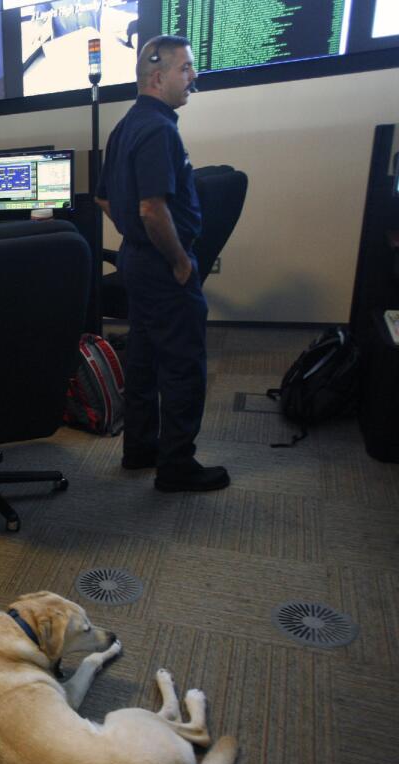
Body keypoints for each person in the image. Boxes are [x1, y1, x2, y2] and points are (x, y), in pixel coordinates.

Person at [96, 35, 230, 493]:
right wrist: (176, 261)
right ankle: (176, 466)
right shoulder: (158, 130)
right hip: (161, 265)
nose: (193, 76)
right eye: (186, 68)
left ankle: (140, 449)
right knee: (183, 366)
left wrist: (134, 236)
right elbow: (153, 209)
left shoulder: (125, 126)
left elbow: (103, 198)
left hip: (138, 261)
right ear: (158, 76)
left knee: (145, 359)